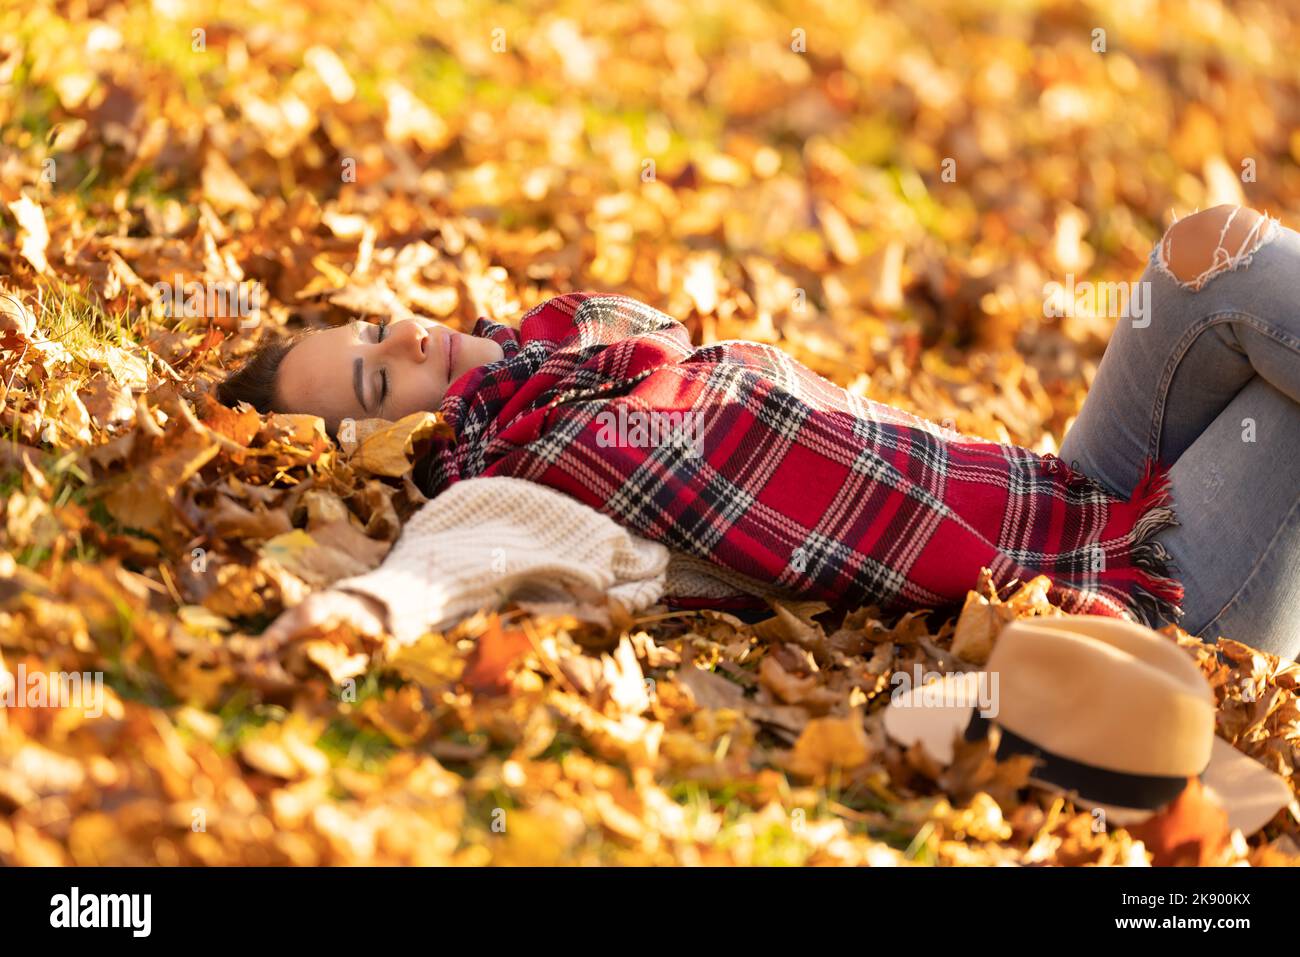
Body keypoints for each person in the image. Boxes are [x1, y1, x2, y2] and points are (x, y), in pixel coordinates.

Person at [218, 205, 1300, 660]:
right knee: (1280, 414)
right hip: (1140, 609)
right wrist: (358, 613)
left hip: (1071, 500)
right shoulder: (525, 467)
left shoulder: (583, 354)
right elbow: (457, 556)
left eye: (372, 327)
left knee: (1208, 252)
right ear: (376, 450)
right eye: (373, 381)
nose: (405, 331)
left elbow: (628, 327)